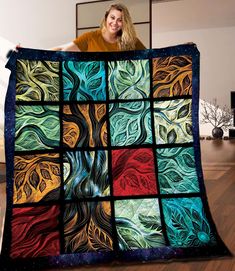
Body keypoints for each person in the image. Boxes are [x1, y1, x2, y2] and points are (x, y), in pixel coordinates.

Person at [53, 3, 146, 52]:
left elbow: (150, 58)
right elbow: (63, 50)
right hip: (95, 87)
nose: (115, 23)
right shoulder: (90, 38)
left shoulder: (130, 41)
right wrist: (40, 55)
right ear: (106, 18)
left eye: (120, 20)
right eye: (112, 18)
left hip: (121, 87)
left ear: (125, 23)